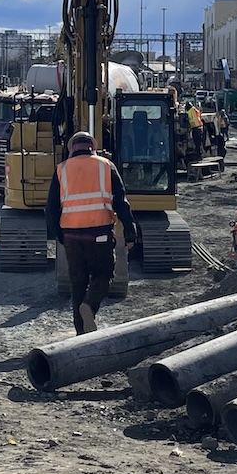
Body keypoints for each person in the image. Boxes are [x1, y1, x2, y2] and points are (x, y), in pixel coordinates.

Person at [45, 130, 138, 334]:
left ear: (71, 149)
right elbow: (121, 202)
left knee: (77, 283)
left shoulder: (61, 169)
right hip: (99, 232)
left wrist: (58, 235)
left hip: (71, 235)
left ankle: (80, 333)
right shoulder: (106, 166)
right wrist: (130, 232)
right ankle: (89, 306)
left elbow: (51, 208)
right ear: (93, 148)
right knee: (103, 275)